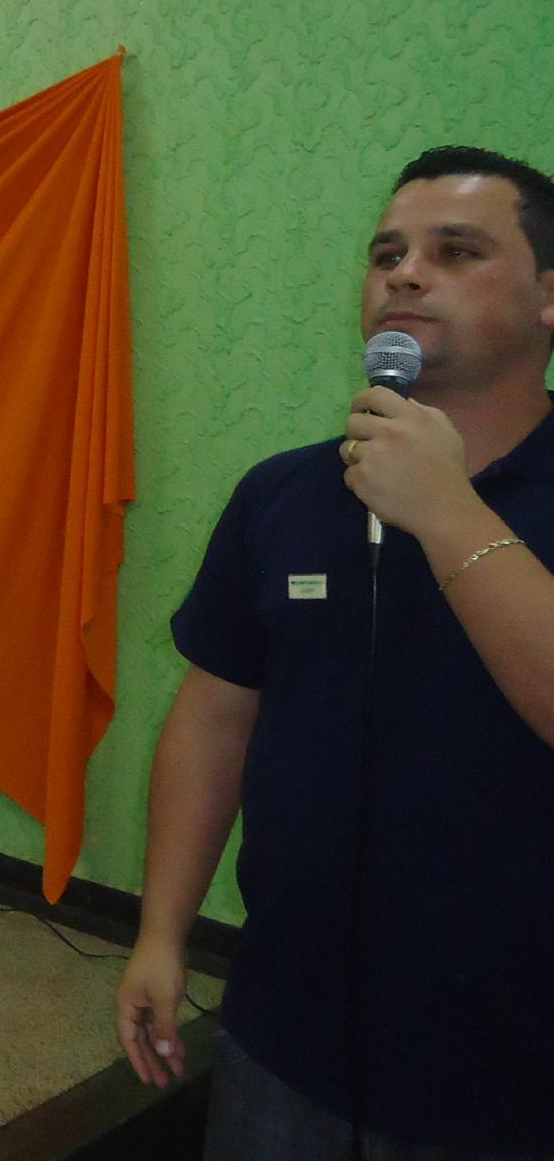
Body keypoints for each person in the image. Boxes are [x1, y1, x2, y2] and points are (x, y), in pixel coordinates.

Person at [115, 146, 554, 1160]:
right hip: (284, 1042)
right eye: (385, 255)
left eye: (454, 251)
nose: (404, 275)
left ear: (547, 298)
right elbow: (213, 718)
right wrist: (160, 933)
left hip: (514, 1076)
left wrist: (445, 510)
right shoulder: (283, 493)